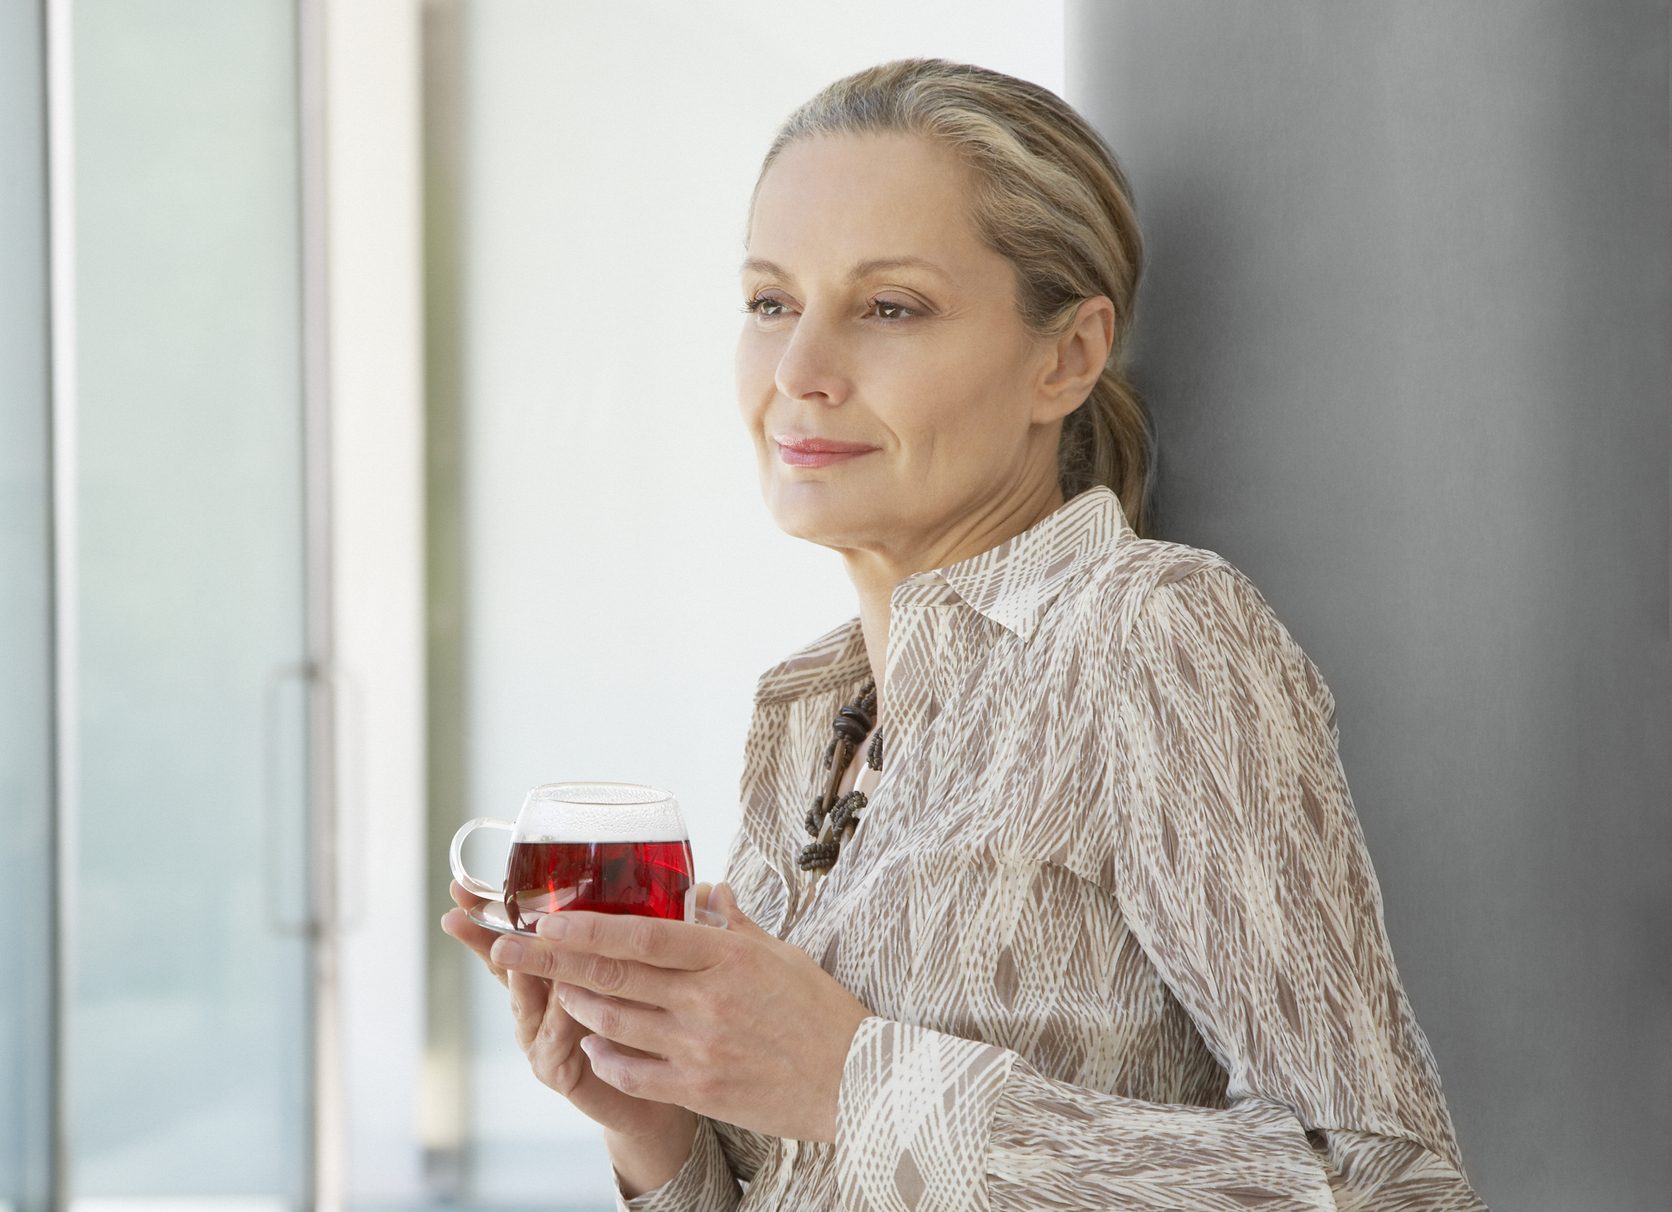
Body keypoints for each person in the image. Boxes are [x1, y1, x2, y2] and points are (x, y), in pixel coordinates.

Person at [441, 56, 1488, 1211]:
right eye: (770, 303)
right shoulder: (810, 715)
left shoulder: (1150, 638)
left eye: (888, 308)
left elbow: (1396, 1188)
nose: (799, 371)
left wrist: (851, 1080)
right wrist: (655, 1128)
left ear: (1066, 357)